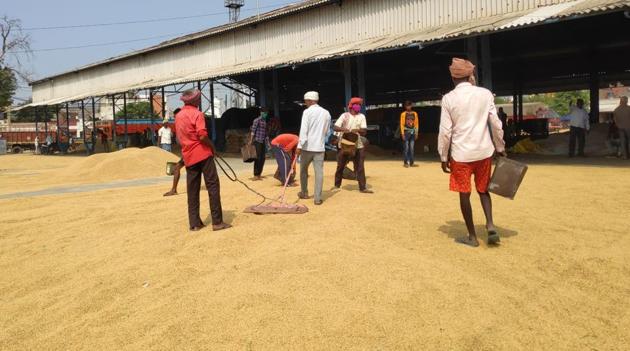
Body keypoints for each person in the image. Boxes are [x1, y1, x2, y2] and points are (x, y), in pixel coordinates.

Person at [438, 58, 506, 247]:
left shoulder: (449, 99)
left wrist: (443, 156)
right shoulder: (485, 94)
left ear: (453, 78)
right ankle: (490, 225)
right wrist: (500, 147)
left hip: (461, 155)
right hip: (484, 152)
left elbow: (445, 132)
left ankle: (472, 237)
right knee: (483, 190)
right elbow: (496, 124)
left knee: (464, 193)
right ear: (471, 76)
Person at [175, 89, 230, 232]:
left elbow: (180, 139)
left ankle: (194, 223)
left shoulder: (179, 116)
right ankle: (217, 222)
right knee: (213, 186)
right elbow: (202, 136)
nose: (200, 101)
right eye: (199, 99)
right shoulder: (197, 114)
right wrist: (213, 147)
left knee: (192, 190)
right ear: (194, 101)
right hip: (203, 154)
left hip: (188, 156)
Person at [296, 91, 331, 205]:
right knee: (319, 173)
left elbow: (303, 130)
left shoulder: (307, 112)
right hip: (320, 148)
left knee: (303, 171)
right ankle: (317, 198)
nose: (305, 103)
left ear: (309, 100)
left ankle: (304, 192)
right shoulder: (326, 113)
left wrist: (299, 146)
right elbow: (326, 131)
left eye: (305, 101)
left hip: (307, 147)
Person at [334, 97, 373, 193]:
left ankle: (363, 187)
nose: (358, 106)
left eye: (359, 105)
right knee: (341, 165)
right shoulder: (344, 116)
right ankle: (337, 184)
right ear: (351, 106)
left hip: (357, 143)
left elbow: (364, 131)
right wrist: (344, 130)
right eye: (357, 104)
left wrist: (358, 130)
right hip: (345, 143)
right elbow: (335, 127)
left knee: (360, 165)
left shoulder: (362, 117)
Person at [164, 108, 185, 197]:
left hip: (190, 151)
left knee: (177, 168)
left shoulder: (184, 123)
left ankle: (174, 190)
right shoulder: (179, 124)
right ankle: (174, 189)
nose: (175, 118)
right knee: (177, 168)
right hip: (187, 151)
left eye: (175, 116)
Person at [248, 108, 269, 180]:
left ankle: (259, 174)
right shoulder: (257, 120)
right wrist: (251, 140)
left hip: (263, 142)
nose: (265, 114)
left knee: (263, 158)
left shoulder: (264, 121)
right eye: (264, 112)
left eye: (266, 113)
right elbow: (253, 131)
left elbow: (266, 133)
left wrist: (268, 143)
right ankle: (256, 174)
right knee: (258, 158)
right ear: (261, 113)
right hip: (257, 141)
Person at [400, 100, 419, 167]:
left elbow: (416, 124)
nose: (408, 107)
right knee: (406, 148)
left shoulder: (415, 114)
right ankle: (405, 162)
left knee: (412, 148)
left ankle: (411, 162)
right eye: (407, 105)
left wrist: (416, 133)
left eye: (409, 105)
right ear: (405, 106)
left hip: (413, 133)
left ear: (411, 106)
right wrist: (402, 133)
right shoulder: (403, 114)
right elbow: (402, 124)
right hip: (406, 133)